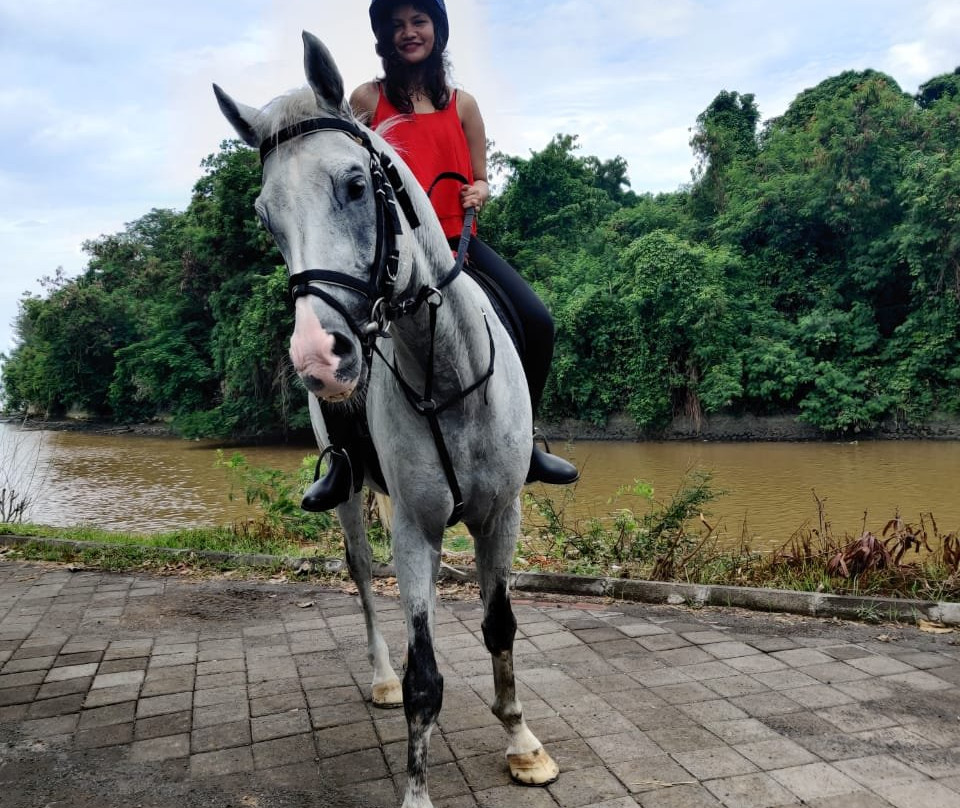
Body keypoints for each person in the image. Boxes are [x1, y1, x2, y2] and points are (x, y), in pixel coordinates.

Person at [301, 0, 578, 512]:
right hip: (391, 256)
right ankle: (342, 460)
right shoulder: (368, 98)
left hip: (457, 245)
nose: (409, 32)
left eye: (419, 21)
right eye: (397, 24)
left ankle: (529, 444)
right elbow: (346, 158)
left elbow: (480, 176)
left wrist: (479, 190)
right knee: (340, 333)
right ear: (383, 36)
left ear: (438, 30)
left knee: (538, 321)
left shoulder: (464, 105)